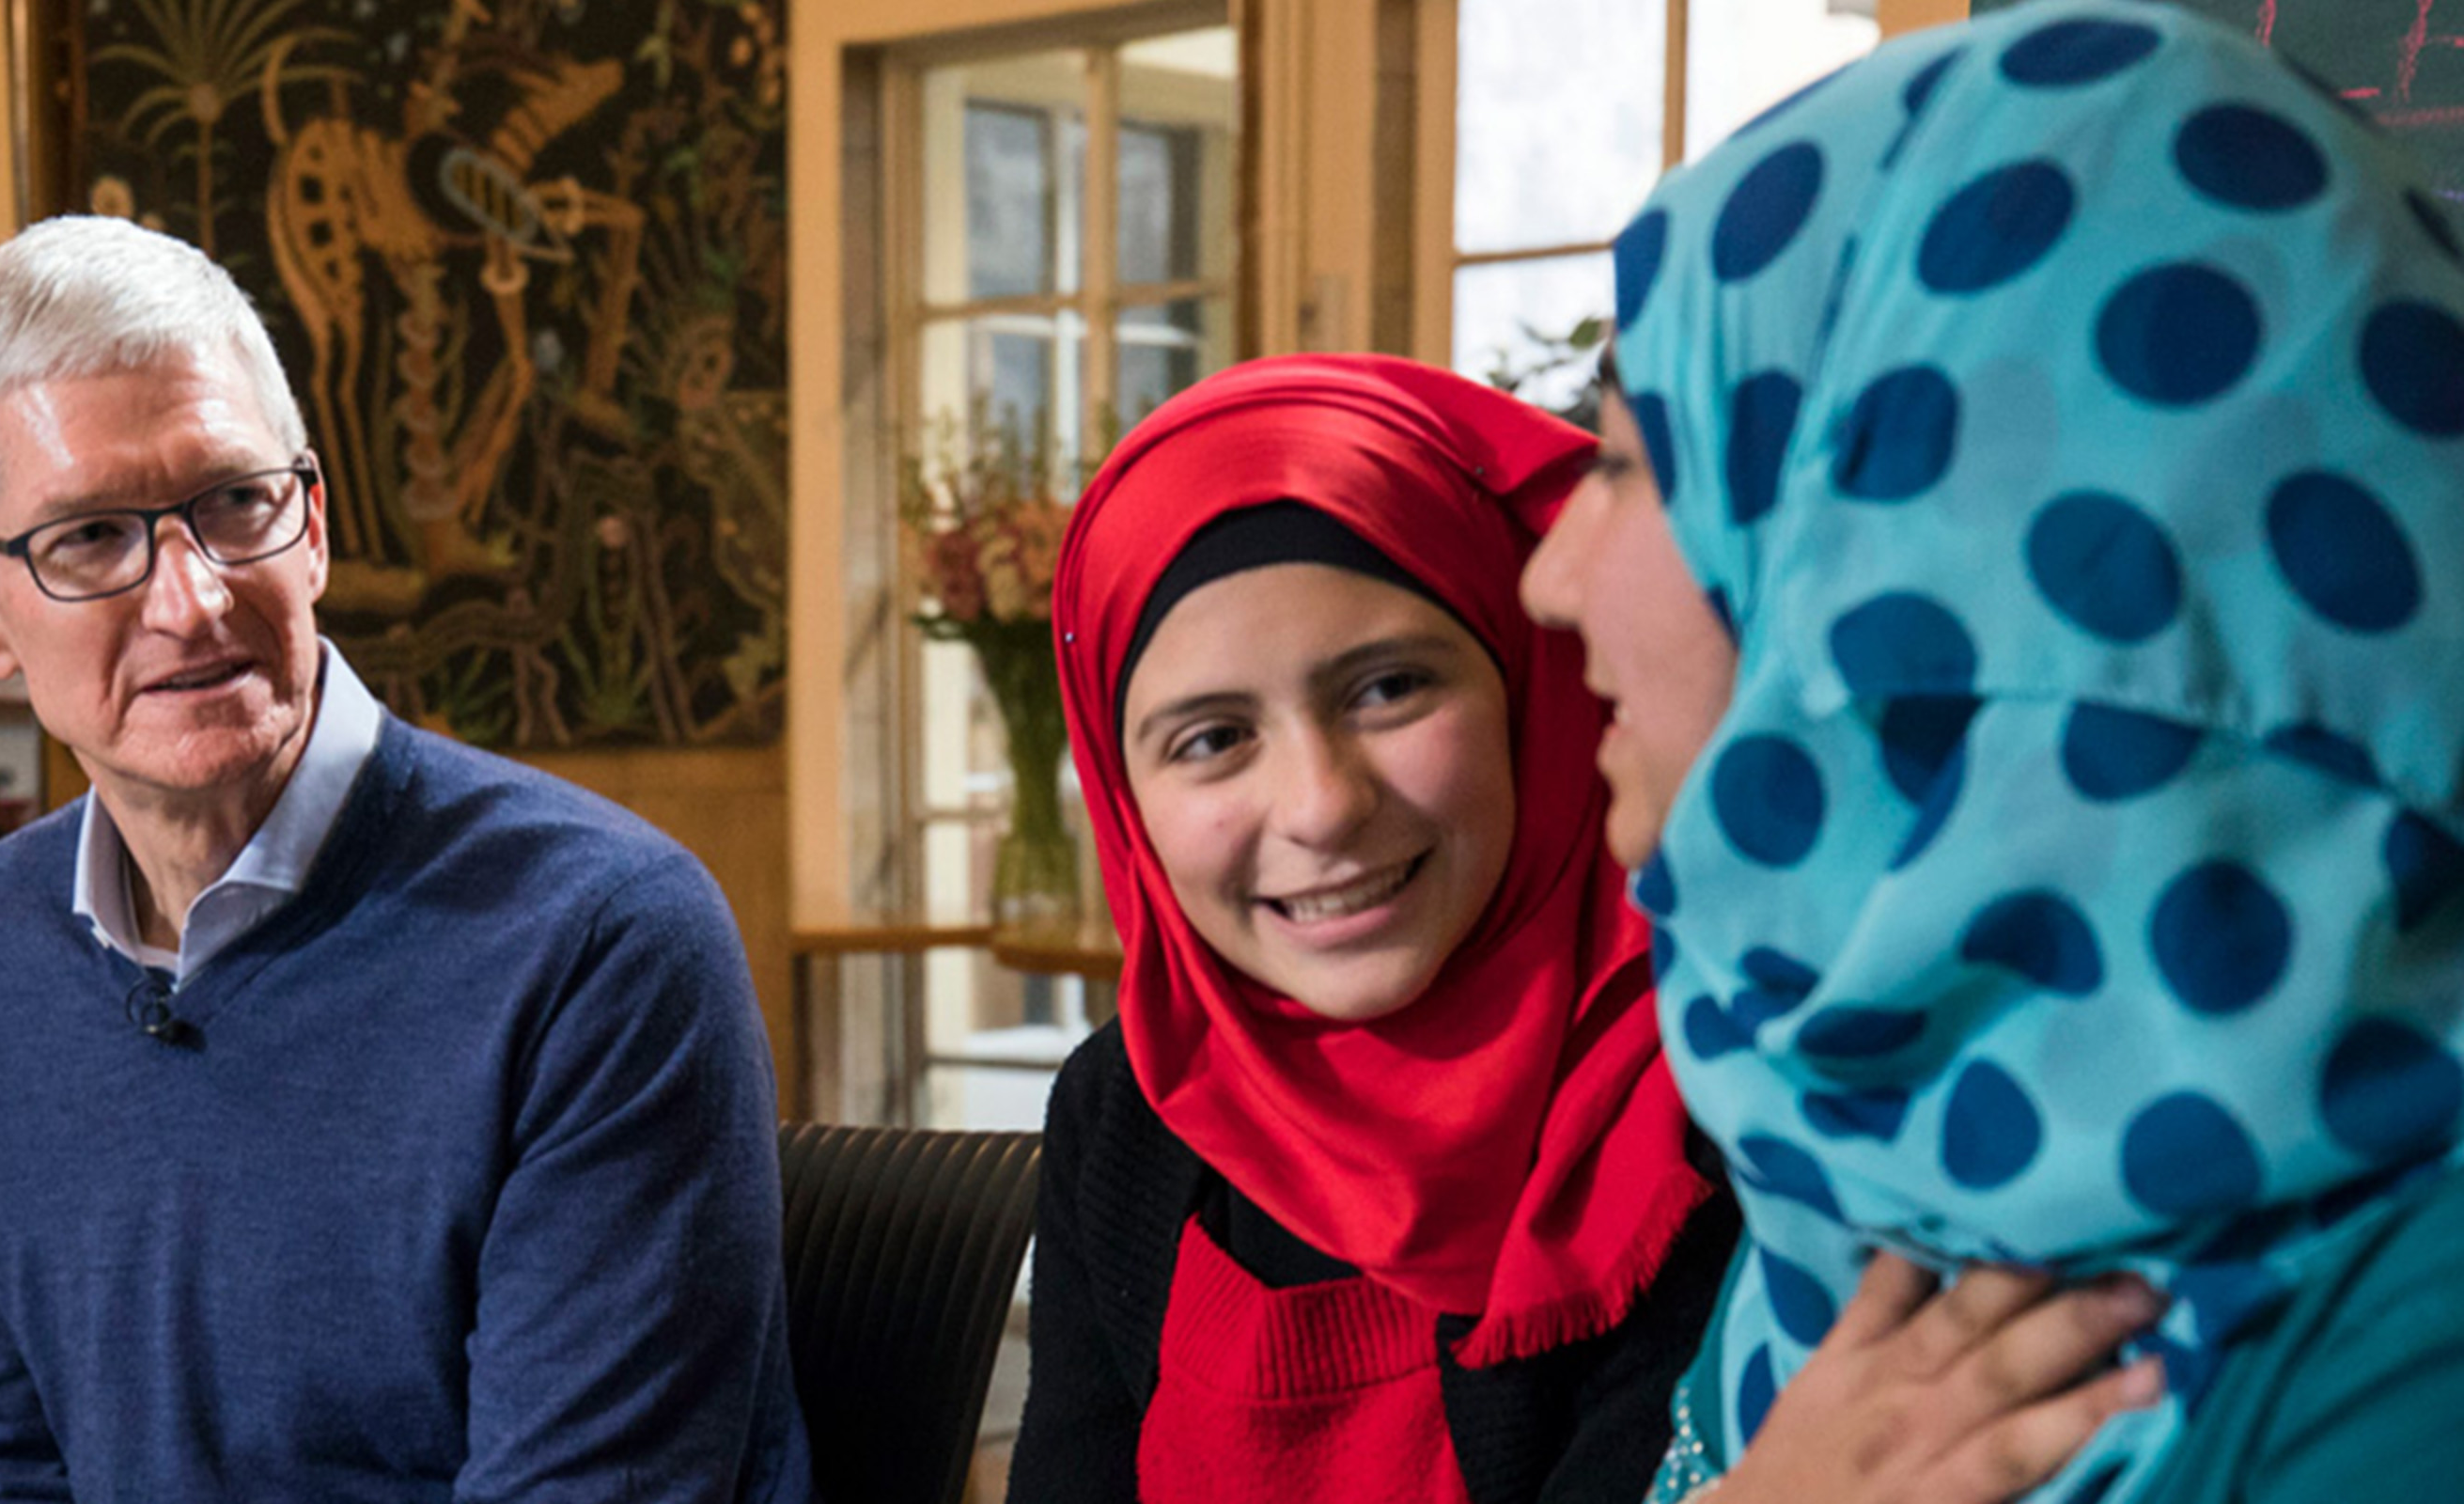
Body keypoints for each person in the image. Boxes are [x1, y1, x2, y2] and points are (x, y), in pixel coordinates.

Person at [1520, 4, 2464, 1500]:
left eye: (1632, 466)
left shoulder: (2415, 1356)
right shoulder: (1880, 1112)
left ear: (1924, 568)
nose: (1549, 581)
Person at [0, 215, 813, 1502]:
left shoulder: (597, 938)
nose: (193, 596)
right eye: (91, 537)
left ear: (313, 524)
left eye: (233, 503)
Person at [1009, 353, 1737, 1504]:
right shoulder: (1128, 1107)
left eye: (1389, 687)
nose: (1322, 805)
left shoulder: (1687, 1107)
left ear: (1525, 675)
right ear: (1121, 798)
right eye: (1210, 739)